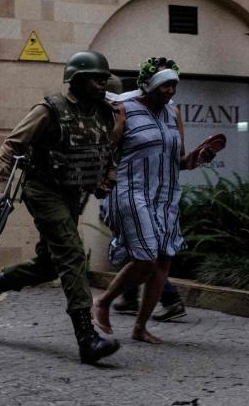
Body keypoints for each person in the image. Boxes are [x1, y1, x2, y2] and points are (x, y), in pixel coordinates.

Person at [0, 51, 121, 365]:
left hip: (72, 195)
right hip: (42, 190)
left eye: (104, 78)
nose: (102, 83)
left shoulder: (103, 113)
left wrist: (107, 177)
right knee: (72, 253)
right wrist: (0, 188)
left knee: (50, 264)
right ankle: (86, 338)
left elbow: (108, 152)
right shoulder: (49, 110)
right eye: (96, 78)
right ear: (77, 80)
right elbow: (11, 147)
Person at [93, 57, 220, 343]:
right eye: (165, 85)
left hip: (165, 195)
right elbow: (105, 153)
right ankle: (102, 302)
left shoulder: (173, 114)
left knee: (163, 261)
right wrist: (101, 182)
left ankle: (140, 327)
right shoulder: (124, 110)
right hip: (131, 190)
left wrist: (200, 158)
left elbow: (181, 161)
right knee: (147, 259)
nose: (171, 90)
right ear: (149, 85)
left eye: (174, 84)